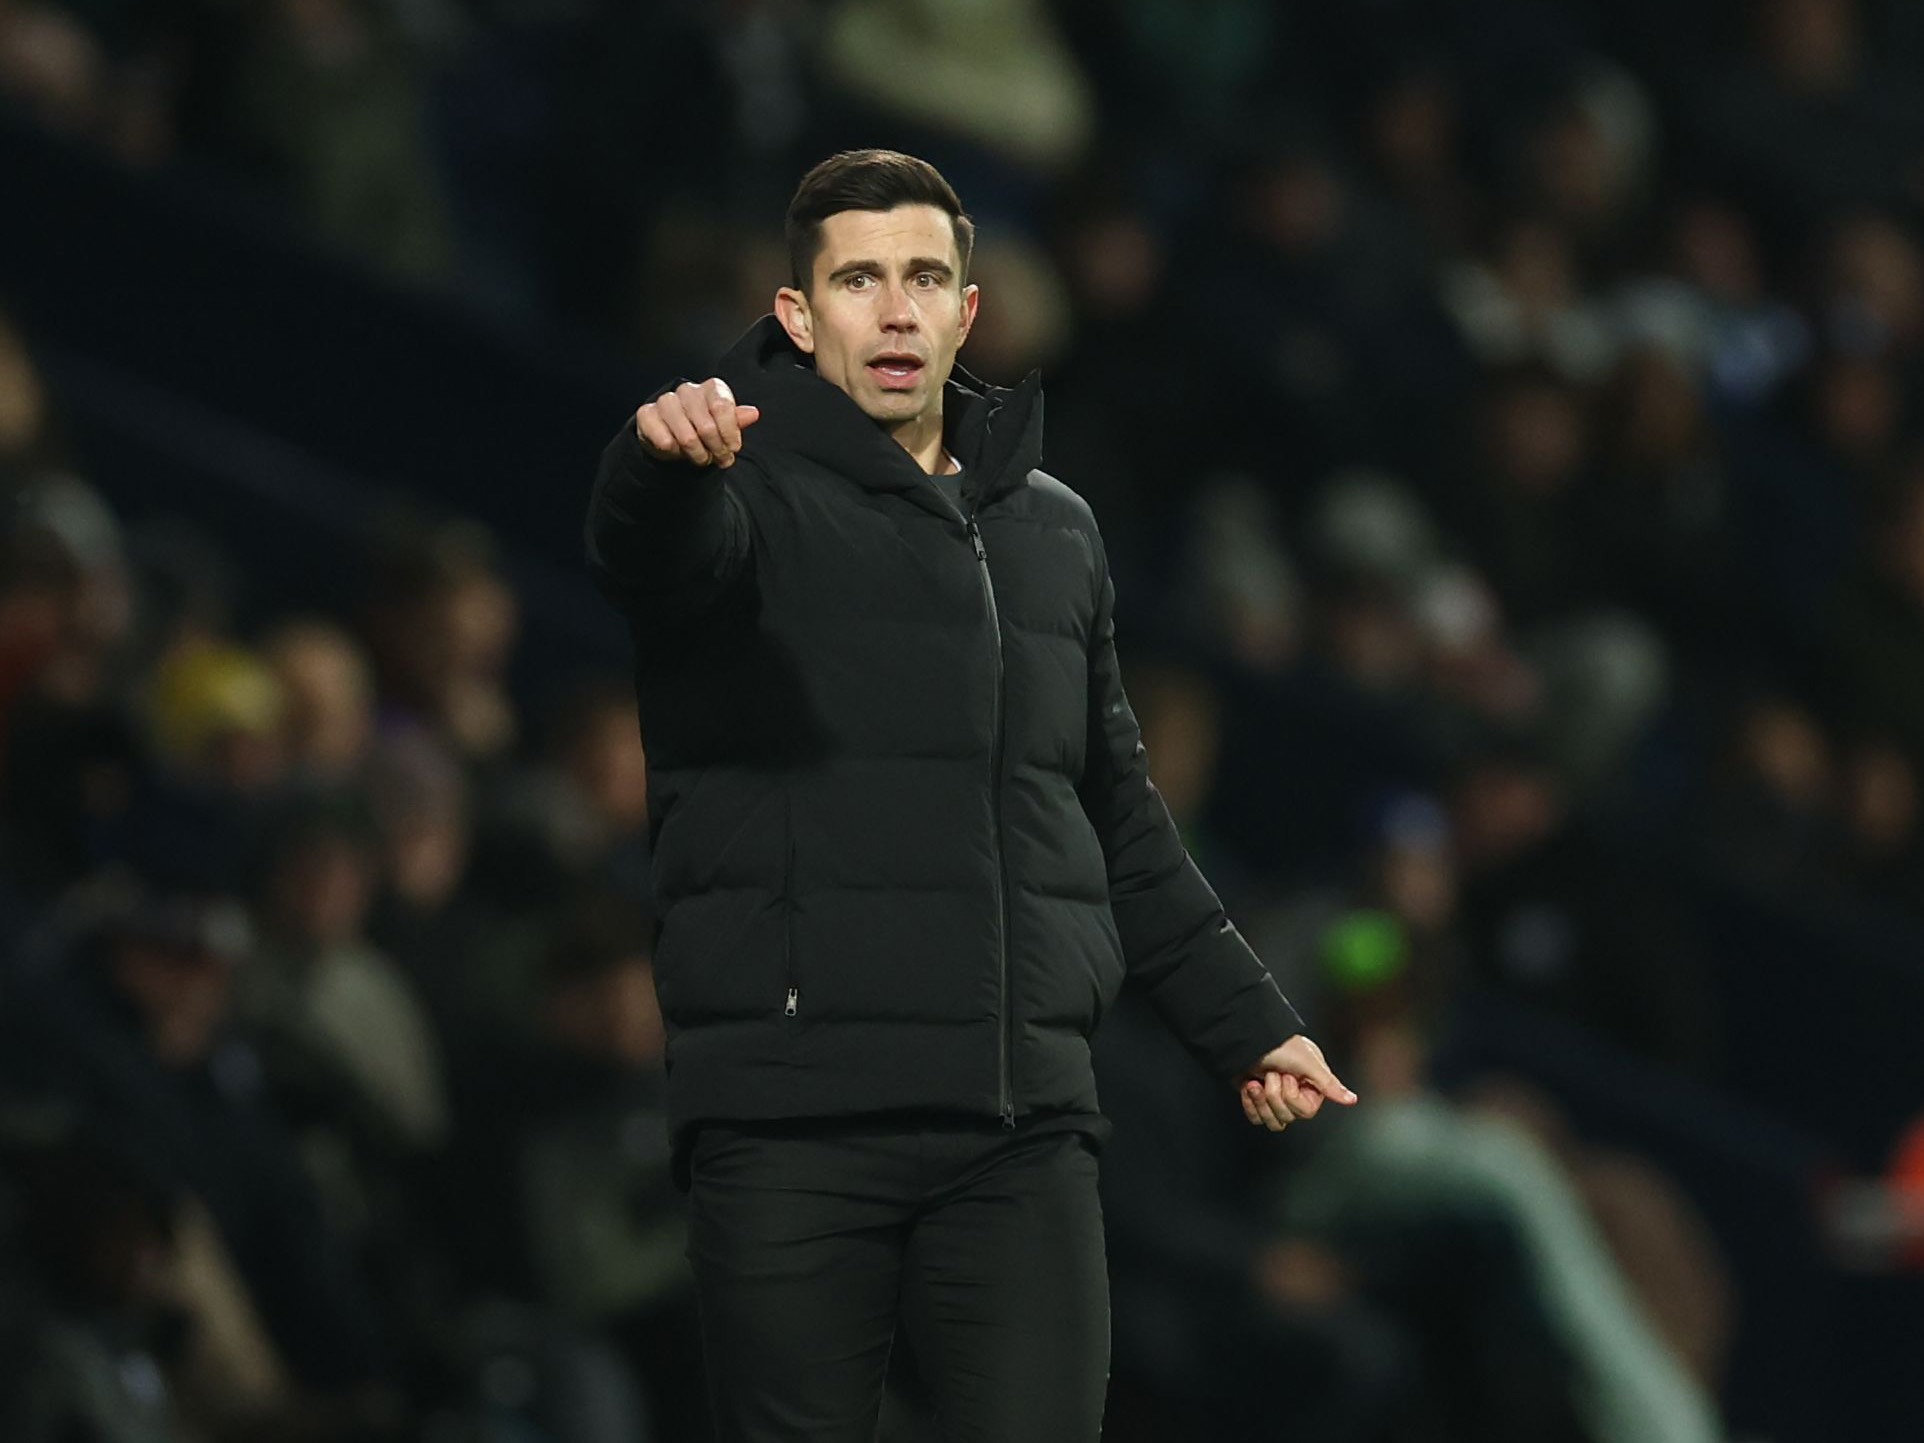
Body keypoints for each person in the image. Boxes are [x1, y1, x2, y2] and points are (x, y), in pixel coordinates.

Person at [584, 147, 1356, 1443]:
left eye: (925, 278)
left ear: (968, 312)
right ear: (797, 313)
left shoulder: (1057, 533)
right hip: (798, 1104)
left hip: (1019, 1120)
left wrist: (1246, 1025)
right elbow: (653, 557)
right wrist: (662, 466)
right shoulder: (742, 494)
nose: (894, 309)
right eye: (858, 279)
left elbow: (1118, 817)